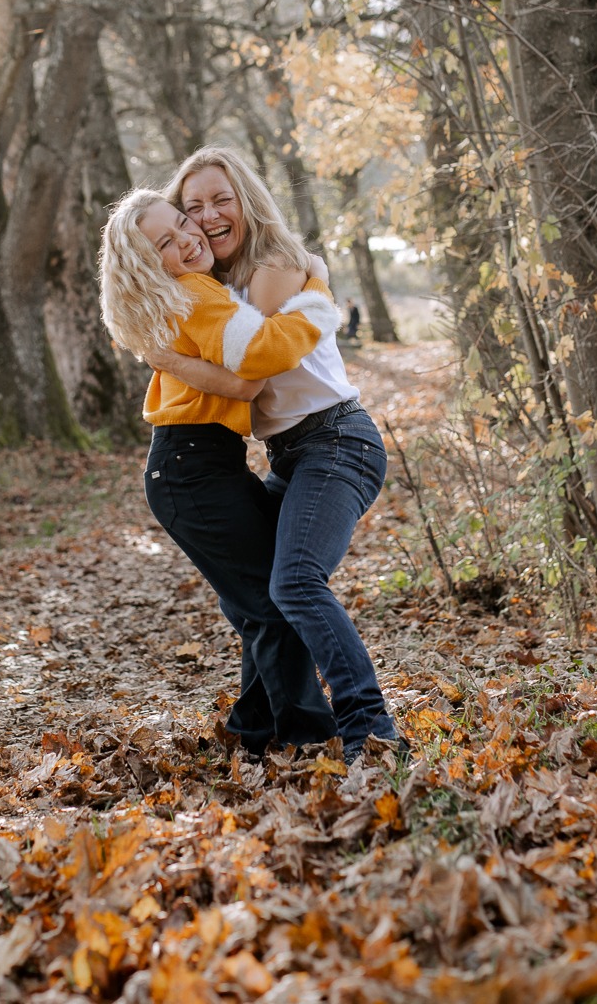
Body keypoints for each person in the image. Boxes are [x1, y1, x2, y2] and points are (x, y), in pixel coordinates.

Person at [157, 146, 400, 761]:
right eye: (192, 208)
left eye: (221, 200)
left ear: (247, 199)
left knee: (292, 583)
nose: (208, 217)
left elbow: (251, 368)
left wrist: (165, 357)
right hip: (291, 455)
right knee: (257, 593)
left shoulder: (274, 262)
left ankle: (370, 729)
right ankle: (260, 730)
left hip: (338, 441)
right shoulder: (215, 284)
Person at [100, 189, 341, 756]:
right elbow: (262, 356)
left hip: (199, 465)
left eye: (182, 223)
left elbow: (242, 382)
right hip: (192, 470)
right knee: (270, 606)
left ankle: (254, 732)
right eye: (166, 242)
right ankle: (308, 739)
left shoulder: (186, 293)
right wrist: (317, 290)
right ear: (149, 264)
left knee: (264, 604)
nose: (188, 238)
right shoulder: (194, 293)